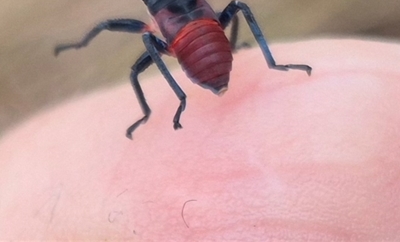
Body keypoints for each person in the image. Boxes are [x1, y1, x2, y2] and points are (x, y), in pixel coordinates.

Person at [1, 39, 399, 241]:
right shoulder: (199, 10)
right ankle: (262, 65)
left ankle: (175, 101)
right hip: (209, 52)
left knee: (139, 63)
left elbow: (130, 37)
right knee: (237, 6)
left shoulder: (152, 29)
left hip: (199, 60)